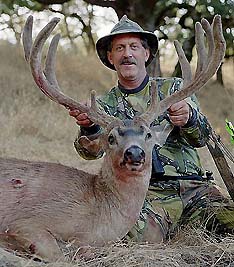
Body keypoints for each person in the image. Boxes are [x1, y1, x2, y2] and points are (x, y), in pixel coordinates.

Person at [69, 15, 234, 240]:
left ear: (145, 54)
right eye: (119, 48)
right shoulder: (104, 105)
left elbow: (202, 138)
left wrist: (189, 117)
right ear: (110, 57)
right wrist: (89, 127)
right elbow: (91, 152)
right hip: (147, 195)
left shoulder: (176, 89)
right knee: (129, 236)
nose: (127, 54)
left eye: (134, 47)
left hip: (195, 190)